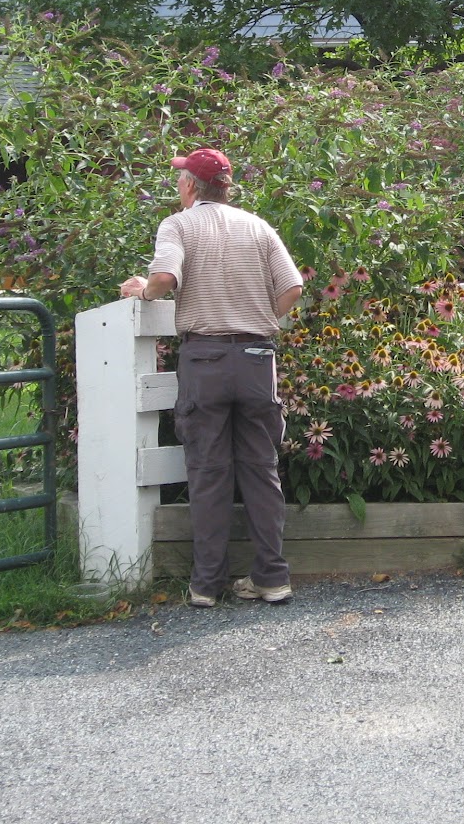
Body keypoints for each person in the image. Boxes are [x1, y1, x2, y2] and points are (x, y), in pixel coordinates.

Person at [120, 147, 303, 608]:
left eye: (180, 178)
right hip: (257, 357)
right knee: (262, 471)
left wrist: (143, 289)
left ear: (189, 187)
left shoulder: (178, 225)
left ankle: (206, 584)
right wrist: (261, 315)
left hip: (204, 360)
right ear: (226, 187)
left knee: (208, 471)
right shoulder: (258, 226)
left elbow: (163, 276)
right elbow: (293, 286)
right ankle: (272, 578)